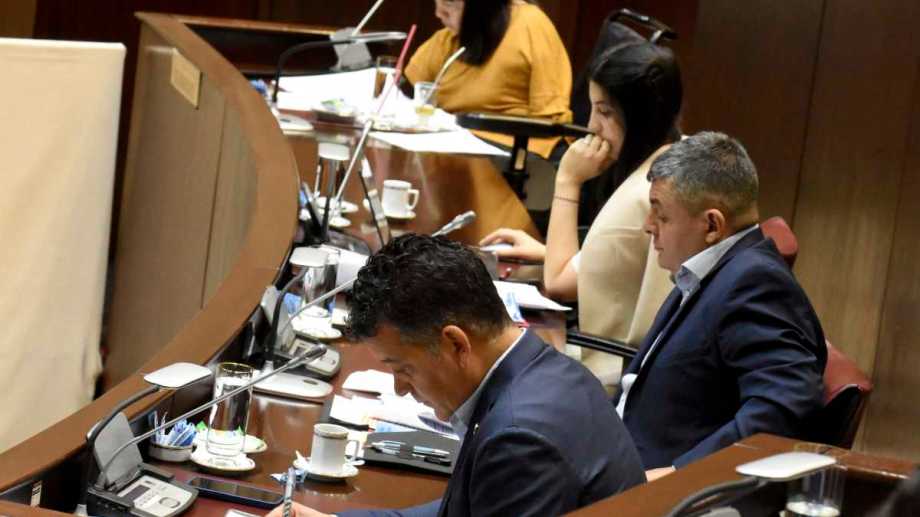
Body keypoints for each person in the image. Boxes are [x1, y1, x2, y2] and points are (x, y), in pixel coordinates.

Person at [269, 234, 645, 517]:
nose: (400, 388)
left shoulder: (519, 438)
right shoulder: (545, 372)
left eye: (403, 369)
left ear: (455, 344)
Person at [620, 131, 827, 480]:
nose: (647, 226)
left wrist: (678, 475)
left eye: (661, 215)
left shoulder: (754, 282)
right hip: (625, 453)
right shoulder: (710, 271)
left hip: (653, 485)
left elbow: (784, 406)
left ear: (712, 225)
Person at [480, 41, 682, 388]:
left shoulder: (643, 193)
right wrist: (547, 253)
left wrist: (568, 180)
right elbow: (627, 265)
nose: (591, 126)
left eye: (604, 112)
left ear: (640, 117)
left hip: (607, 374)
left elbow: (558, 283)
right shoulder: (677, 156)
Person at [404, 0, 572, 159]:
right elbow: (410, 90)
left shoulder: (530, 24)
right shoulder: (449, 38)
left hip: (513, 147)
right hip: (453, 141)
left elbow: (550, 119)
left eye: (449, 3)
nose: (439, 13)